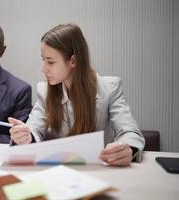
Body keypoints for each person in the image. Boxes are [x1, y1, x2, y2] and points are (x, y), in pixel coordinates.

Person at [8, 23, 145, 166]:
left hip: (102, 169)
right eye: (43, 59)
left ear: (73, 61)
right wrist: (25, 136)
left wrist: (128, 148)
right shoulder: (45, 91)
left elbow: (130, 131)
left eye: (50, 62)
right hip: (64, 170)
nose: (43, 69)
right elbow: (34, 129)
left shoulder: (110, 88)